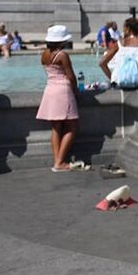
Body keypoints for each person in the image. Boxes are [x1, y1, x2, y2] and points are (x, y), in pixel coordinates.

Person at [35, 25, 78, 172]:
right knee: (72, 127)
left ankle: (57, 161)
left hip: (50, 90)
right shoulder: (62, 55)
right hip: (63, 91)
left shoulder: (44, 54)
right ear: (61, 42)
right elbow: (71, 77)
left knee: (56, 127)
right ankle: (59, 162)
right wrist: (76, 91)